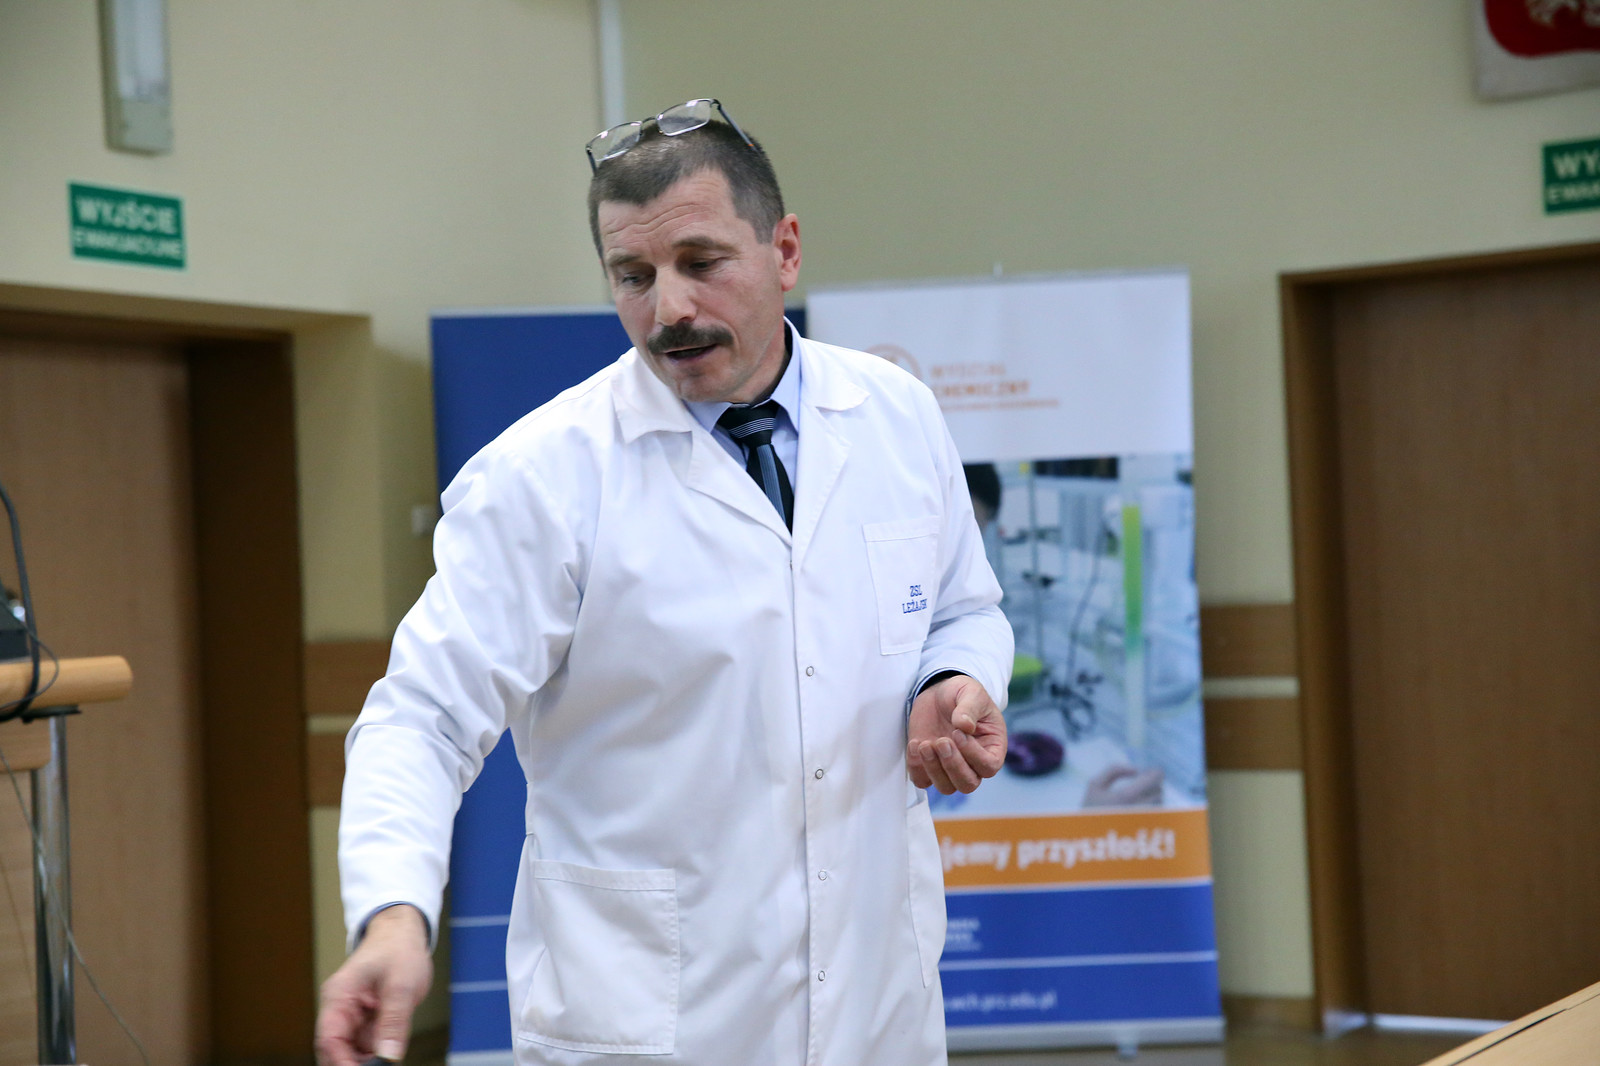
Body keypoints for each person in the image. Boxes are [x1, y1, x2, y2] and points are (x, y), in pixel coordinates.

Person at [316, 98, 1014, 1066]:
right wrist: (393, 913)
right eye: (633, 276)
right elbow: (421, 717)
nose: (668, 310)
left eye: (701, 261)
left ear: (785, 250)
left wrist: (954, 676)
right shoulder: (543, 475)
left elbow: (965, 608)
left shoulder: (895, 414)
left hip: (873, 1001)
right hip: (650, 1016)